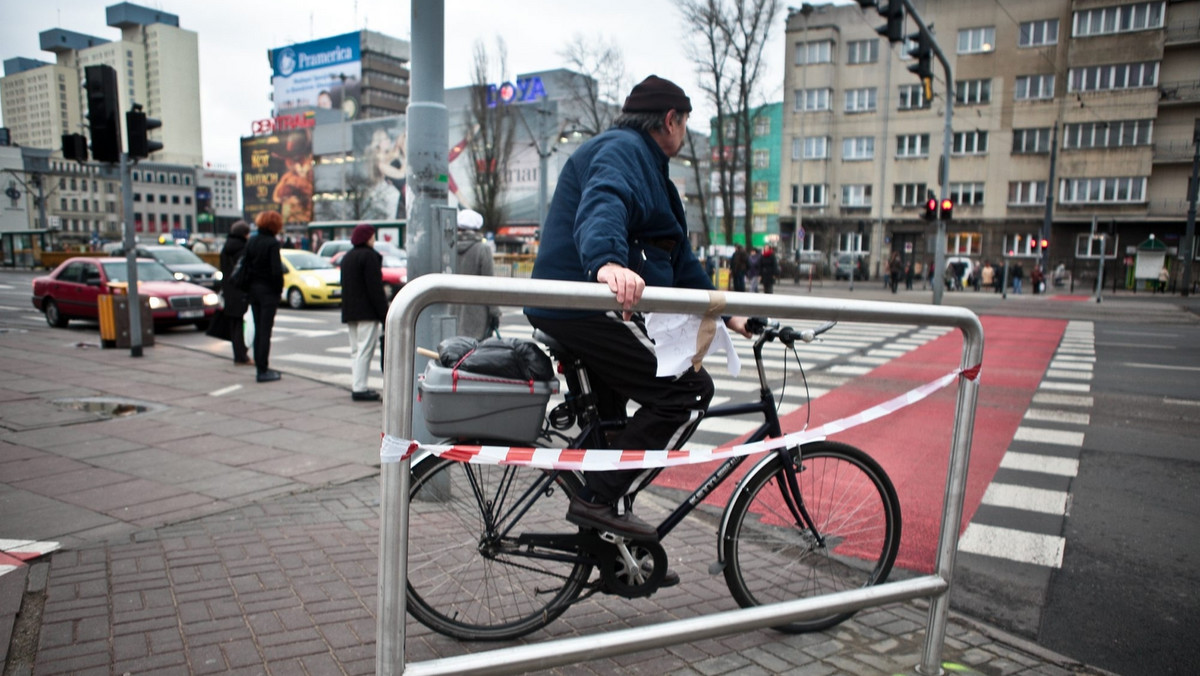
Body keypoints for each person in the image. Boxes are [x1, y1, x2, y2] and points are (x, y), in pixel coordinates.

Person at [523, 75, 751, 543]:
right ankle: (596, 500)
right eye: (685, 122)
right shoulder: (622, 152)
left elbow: (679, 258)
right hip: (581, 305)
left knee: (612, 433)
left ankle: (606, 544)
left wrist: (726, 314)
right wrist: (606, 262)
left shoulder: (655, 174)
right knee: (684, 388)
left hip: (580, 306)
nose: (684, 132)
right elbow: (604, 201)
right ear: (671, 120)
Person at [340, 224, 389, 401]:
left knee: (356, 350)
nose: (374, 240)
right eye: (372, 236)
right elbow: (375, 289)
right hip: (367, 311)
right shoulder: (369, 257)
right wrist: (385, 314)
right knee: (365, 350)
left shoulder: (347, 257)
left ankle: (357, 384)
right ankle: (359, 388)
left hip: (350, 311)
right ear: (367, 237)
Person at [242, 210, 285, 382]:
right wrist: (278, 290)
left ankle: (260, 366)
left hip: (254, 290)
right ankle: (263, 369)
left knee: (259, 329)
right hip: (268, 292)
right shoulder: (272, 243)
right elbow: (276, 271)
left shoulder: (252, 241)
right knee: (265, 331)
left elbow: (246, 265)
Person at [451, 209, 501, 340]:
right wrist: (494, 313)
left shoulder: (449, 248)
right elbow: (489, 285)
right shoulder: (482, 249)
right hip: (477, 315)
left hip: (452, 313)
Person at [219, 220, 253, 366]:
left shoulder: (226, 247)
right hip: (240, 290)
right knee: (242, 324)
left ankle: (238, 354)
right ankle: (242, 356)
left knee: (235, 324)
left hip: (229, 289)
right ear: (244, 234)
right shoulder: (243, 248)